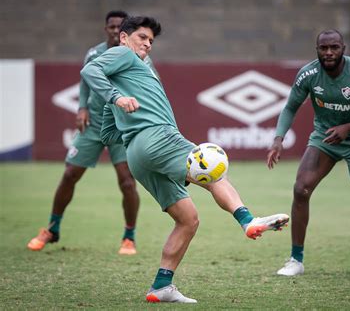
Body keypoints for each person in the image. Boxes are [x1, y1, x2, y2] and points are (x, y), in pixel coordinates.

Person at [80, 16, 289, 303]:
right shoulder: (121, 54)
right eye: (142, 37)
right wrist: (117, 99)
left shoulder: (134, 70)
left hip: (137, 156)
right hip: (158, 137)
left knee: (188, 220)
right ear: (124, 38)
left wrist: (124, 115)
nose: (147, 44)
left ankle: (161, 286)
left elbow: (107, 134)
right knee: (213, 166)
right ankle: (248, 220)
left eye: (151, 41)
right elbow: (90, 69)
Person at [267, 29, 350, 277]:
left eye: (334, 47)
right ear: (317, 50)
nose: (328, 52)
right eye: (323, 48)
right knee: (300, 189)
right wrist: (278, 139)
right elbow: (290, 106)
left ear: (343, 48)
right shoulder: (309, 74)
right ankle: (296, 259)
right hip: (326, 137)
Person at [27, 10, 150, 255]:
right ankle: (52, 228)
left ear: (126, 32)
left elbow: (149, 84)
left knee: (127, 181)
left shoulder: (139, 55)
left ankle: (129, 237)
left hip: (121, 124)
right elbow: (85, 81)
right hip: (93, 122)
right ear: (106, 29)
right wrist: (82, 107)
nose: (115, 30)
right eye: (111, 27)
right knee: (70, 173)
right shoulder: (94, 53)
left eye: (119, 27)